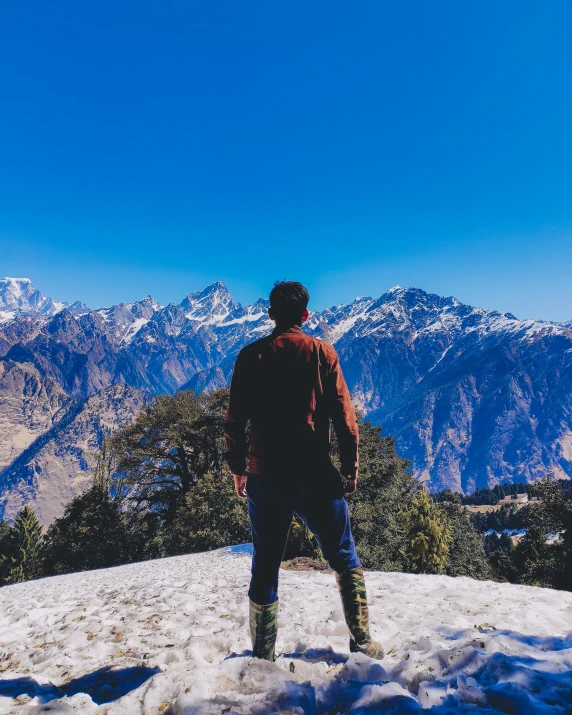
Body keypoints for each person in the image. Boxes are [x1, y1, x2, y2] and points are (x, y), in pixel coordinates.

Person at [224, 280, 383, 662]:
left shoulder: (250, 356)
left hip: (266, 476)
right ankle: (362, 641)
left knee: (265, 565)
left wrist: (238, 467)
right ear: (306, 315)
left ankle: (263, 655)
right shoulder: (322, 353)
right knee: (344, 557)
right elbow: (346, 420)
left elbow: (234, 421)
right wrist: (350, 468)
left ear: (270, 314)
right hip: (316, 476)